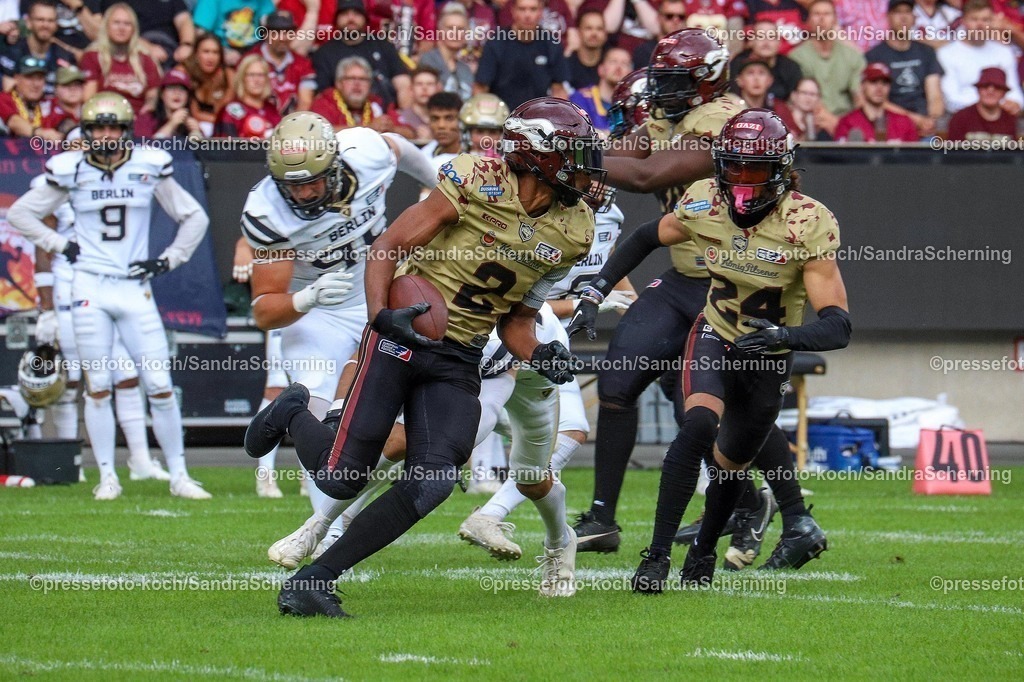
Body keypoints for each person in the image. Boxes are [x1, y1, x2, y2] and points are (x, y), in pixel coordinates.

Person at [245, 97, 603, 617]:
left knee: (433, 479)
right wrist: (379, 315)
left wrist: (544, 355)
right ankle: (293, 413)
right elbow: (388, 246)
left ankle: (315, 579)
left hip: (460, 355)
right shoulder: (476, 178)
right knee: (343, 476)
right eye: (571, 152)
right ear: (537, 156)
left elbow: (517, 323)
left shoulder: (574, 229)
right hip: (402, 335)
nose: (584, 164)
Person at [570, 30, 821, 573]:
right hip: (683, 278)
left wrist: (571, 154)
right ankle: (602, 516)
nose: (662, 91)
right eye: (659, 80)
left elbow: (643, 174)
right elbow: (625, 150)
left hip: (732, 283)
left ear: (707, 82)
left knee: (716, 411)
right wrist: (576, 150)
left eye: (674, 81)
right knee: (619, 378)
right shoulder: (669, 116)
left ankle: (768, 507)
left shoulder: (722, 121)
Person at [241, 108, 437, 543]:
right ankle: (328, 534)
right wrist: (305, 297)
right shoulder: (266, 211)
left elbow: (399, 147)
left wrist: (439, 187)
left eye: (313, 180)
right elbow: (264, 311)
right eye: (294, 185)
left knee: (407, 428)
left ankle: (330, 525)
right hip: (318, 313)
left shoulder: (364, 151)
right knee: (323, 426)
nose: (307, 193)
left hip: (383, 293)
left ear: (334, 165)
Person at [9, 92, 212, 501]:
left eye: (112, 127)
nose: (105, 135)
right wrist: (59, 244)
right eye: (97, 127)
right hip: (89, 286)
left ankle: (180, 474)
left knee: (159, 383)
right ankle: (107, 475)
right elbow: (20, 214)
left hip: (134, 287)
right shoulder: (70, 169)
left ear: (126, 131)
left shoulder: (148, 165)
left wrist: (168, 260)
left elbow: (195, 216)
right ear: (85, 132)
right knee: (98, 384)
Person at [30, 172, 170, 486]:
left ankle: (141, 460)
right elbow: (43, 248)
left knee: (126, 375)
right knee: (74, 378)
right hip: (72, 290)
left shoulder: (119, 181)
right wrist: (47, 308)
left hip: (114, 289)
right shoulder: (57, 184)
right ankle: (69, 463)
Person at [311, 0, 411, 109]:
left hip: (386, 115)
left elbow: (403, 85)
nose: (351, 18)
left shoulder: (384, 46)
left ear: (365, 19)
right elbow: (323, 95)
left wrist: (404, 118)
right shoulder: (324, 53)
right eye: (344, 14)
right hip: (341, 116)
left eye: (356, 13)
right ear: (336, 20)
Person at [865, 0, 944, 137]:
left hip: (925, 125)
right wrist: (914, 120)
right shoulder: (874, 56)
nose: (903, 17)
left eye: (907, 12)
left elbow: (935, 95)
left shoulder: (926, 52)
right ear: (888, 17)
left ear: (914, 18)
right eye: (898, 12)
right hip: (889, 124)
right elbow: (877, 100)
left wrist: (931, 120)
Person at [788, 0, 866, 135]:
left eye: (827, 14)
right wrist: (835, 125)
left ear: (835, 20)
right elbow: (805, 98)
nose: (822, 18)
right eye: (817, 14)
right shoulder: (796, 57)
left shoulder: (852, 56)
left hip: (848, 121)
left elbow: (859, 97)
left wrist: (849, 125)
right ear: (808, 21)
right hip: (812, 121)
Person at [474, 0, 569, 109]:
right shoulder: (496, 43)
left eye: (533, 9)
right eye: (522, 9)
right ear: (513, 11)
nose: (527, 15)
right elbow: (480, 89)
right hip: (502, 118)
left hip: (540, 118)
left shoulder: (551, 43)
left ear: (541, 12)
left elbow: (558, 90)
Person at [937, 0, 1023, 114]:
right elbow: (951, 100)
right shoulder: (946, 54)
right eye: (974, 19)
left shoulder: (1004, 52)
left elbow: (1015, 92)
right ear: (963, 22)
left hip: (1002, 116)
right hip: (964, 118)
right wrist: (990, 105)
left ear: (992, 21)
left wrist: (1015, 103)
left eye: (985, 20)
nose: (980, 25)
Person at [80, 3, 160, 114]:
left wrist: (147, 108)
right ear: (107, 26)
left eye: (127, 24)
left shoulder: (145, 59)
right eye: (116, 23)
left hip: (138, 117)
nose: (121, 28)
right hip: (104, 116)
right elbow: (89, 98)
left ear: (134, 29)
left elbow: (152, 96)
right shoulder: (92, 56)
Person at [310, 56, 413, 136]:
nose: (357, 84)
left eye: (363, 79)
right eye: (351, 78)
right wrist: (368, 128)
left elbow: (410, 133)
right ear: (339, 83)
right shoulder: (324, 102)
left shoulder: (378, 103)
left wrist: (392, 129)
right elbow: (318, 132)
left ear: (370, 84)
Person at [0, 0, 76, 96]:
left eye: (50, 20)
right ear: (28, 22)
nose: (45, 25)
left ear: (56, 25)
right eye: (40, 20)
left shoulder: (64, 57)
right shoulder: (12, 53)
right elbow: (8, 95)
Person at [249, 9, 316, 116]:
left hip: (290, 127)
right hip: (256, 124)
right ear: (265, 34)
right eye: (276, 32)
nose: (283, 38)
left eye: (288, 32)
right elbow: (244, 99)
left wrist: (291, 128)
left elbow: (305, 102)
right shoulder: (250, 60)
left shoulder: (303, 64)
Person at [834, 62, 919, 142]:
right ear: (862, 86)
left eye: (884, 83)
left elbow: (915, 155)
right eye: (873, 82)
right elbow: (841, 155)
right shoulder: (848, 122)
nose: (879, 88)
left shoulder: (904, 122)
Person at [100, 0, 195, 68]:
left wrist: (186, 45)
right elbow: (113, 28)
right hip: (135, 47)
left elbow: (184, 20)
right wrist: (147, 47)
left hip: (172, 49)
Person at [728, 19, 802, 102]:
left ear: (779, 42)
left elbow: (795, 102)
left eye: (771, 37)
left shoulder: (790, 67)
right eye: (760, 36)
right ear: (751, 41)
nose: (766, 42)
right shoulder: (737, 64)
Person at [214, 53, 281, 138]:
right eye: (251, 75)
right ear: (242, 78)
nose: (256, 80)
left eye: (261, 75)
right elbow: (223, 148)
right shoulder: (230, 112)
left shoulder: (271, 110)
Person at [569, 47, 633, 135]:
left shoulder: (633, 104)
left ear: (631, 73)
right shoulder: (580, 98)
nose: (619, 67)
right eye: (613, 62)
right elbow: (579, 133)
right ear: (601, 69)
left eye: (625, 64)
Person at [417, 2, 474, 101]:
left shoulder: (466, 70)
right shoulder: (427, 61)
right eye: (450, 28)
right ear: (439, 31)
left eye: (460, 29)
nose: (455, 33)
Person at [192, 0, 275, 65]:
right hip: (222, 50)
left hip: (253, 52)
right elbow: (201, 34)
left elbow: (270, 24)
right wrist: (222, 52)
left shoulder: (263, 1)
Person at [946, 66, 1020, 141]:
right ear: (978, 90)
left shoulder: (1010, 120)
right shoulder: (960, 118)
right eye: (985, 86)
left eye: (997, 87)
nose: (990, 91)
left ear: (1004, 93)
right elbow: (953, 151)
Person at [181, 31, 233, 135]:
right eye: (206, 52)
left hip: (221, 125)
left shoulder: (228, 75)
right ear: (196, 53)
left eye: (215, 52)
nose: (211, 58)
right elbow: (194, 114)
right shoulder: (185, 72)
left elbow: (224, 112)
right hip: (190, 126)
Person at [0, 55, 61, 139]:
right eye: (29, 78)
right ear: (17, 78)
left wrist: (74, 137)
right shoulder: (3, 99)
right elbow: (14, 122)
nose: (36, 84)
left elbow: (64, 122)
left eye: (40, 78)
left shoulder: (50, 103)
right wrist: (39, 133)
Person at [136, 66, 204, 139]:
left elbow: (204, 149)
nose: (177, 93)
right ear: (162, 94)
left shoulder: (190, 124)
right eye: (172, 88)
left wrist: (197, 133)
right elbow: (144, 148)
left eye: (182, 89)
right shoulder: (146, 119)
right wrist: (171, 124)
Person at [631, 0, 687, 69]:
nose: (675, 20)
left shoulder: (690, 52)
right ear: (659, 18)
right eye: (669, 16)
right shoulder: (644, 51)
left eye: (681, 17)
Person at [566, 9, 610, 90]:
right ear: (579, 32)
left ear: (605, 34)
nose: (594, 33)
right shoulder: (566, 65)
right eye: (588, 28)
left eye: (599, 29)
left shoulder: (610, 66)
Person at [459, 92, 509, 157]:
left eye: (493, 132)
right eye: (479, 132)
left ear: (502, 136)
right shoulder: (450, 163)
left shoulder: (512, 165)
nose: (486, 140)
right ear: (467, 134)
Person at [398, 66, 440, 141]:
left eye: (430, 84)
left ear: (438, 89)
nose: (424, 88)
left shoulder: (445, 119)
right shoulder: (400, 118)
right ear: (411, 89)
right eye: (419, 84)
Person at [42, 64, 85, 135]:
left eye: (77, 84)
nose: (73, 89)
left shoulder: (90, 110)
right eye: (67, 84)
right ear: (55, 88)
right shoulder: (45, 108)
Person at [786, 76, 832, 141]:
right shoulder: (783, 121)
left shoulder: (821, 127)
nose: (808, 98)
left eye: (812, 94)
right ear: (794, 95)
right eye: (804, 93)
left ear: (819, 99)